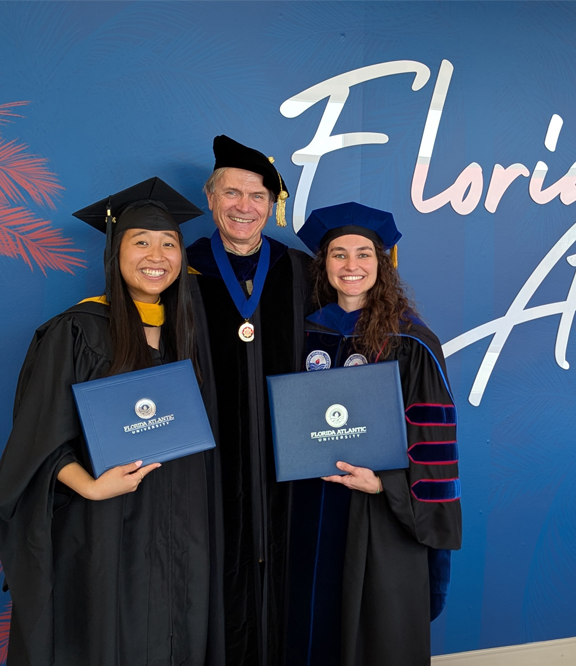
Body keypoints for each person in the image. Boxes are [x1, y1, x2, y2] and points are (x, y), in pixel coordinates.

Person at [0, 177, 224, 665]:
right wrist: (93, 488)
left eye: (169, 244)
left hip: (183, 524)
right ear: (114, 253)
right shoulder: (78, 331)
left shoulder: (190, 335)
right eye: (141, 242)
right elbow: (37, 438)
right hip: (106, 526)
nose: (156, 256)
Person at [287, 202, 463, 666]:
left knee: (377, 637)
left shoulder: (411, 341)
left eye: (364, 254)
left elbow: (434, 439)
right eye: (339, 254)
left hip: (381, 514)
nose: (352, 265)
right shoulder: (306, 333)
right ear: (323, 264)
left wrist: (385, 484)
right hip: (311, 505)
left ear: (381, 264)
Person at [185, 135, 311, 665]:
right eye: (231, 193)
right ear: (210, 198)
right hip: (210, 461)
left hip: (292, 457)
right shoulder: (182, 270)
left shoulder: (298, 270)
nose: (244, 206)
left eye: (257, 195)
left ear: (271, 204)